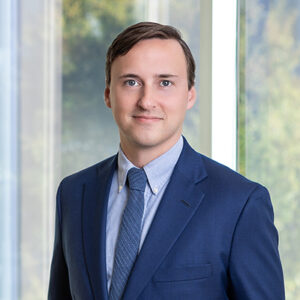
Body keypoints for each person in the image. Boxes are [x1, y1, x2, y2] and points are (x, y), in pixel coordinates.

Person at [48, 22, 285, 300]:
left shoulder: (239, 203)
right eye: (131, 82)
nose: (147, 100)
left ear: (189, 95)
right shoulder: (75, 193)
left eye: (165, 83)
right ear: (109, 95)